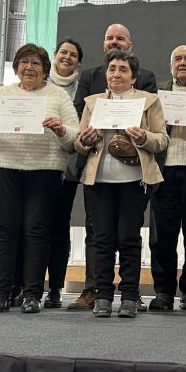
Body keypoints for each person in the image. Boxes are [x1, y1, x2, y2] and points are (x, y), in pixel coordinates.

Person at [0, 43, 79, 314]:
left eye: (36, 63)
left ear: (45, 69)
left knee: (37, 231)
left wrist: (61, 129)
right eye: (24, 62)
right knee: (3, 231)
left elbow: (74, 139)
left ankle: (32, 294)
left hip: (45, 170)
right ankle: (0, 293)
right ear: (16, 67)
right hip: (2, 166)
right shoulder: (2, 94)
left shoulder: (58, 96)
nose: (29, 67)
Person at [68, 23, 157, 311]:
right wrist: (86, 139)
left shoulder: (148, 102)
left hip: (133, 180)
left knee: (129, 240)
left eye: (122, 70)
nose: (116, 74)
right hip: (99, 180)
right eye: (112, 69)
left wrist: (145, 138)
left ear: (133, 77)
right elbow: (80, 145)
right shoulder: (92, 102)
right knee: (103, 240)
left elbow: (163, 140)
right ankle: (104, 295)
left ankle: (130, 295)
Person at [148, 45, 186, 311]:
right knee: (162, 236)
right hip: (163, 170)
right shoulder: (156, 94)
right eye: (177, 59)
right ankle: (163, 291)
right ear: (171, 65)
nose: (182, 63)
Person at [43, 38, 84, 309]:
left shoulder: (85, 88)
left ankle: (56, 286)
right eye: (62, 52)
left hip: (67, 168)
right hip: (37, 164)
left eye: (72, 55)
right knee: (33, 227)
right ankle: (27, 285)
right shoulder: (39, 85)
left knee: (58, 226)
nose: (67, 57)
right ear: (55, 56)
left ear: (79, 62)